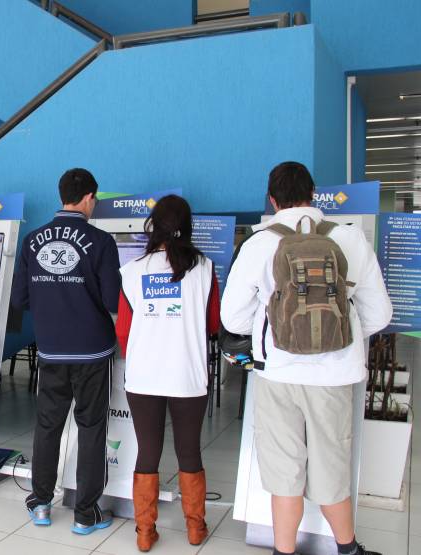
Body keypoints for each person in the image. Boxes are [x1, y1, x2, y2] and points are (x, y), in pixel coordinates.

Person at [221, 162, 392, 555]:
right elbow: (380, 314)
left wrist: (272, 327)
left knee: (285, 471)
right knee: (333, 466)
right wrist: (340, 336)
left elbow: (233, 318)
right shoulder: (349, 239)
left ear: (272, 198)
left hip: (277, 374)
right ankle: (347, 549)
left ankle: (285, 551)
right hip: (334, 376)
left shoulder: (259, 243)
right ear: (314, 194)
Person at [10, 168, 121, 535]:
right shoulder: (102, 242)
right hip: (92, 352)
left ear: (62, 196)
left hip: (51, 349)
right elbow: (110, 300)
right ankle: (85, 513)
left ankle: (41, 502)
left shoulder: (32, 240)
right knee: (91, 428)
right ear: (89, 197)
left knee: (48, 425)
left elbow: (19, 298)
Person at [114, 195, 220, 551]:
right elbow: (213, 323)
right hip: (188, 374)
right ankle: (195, 528)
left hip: (143, 376)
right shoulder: (205, 268)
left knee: (148, 451)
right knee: (189, 451)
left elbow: (124, 332)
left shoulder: (131, 272)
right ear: (186, 226)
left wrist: (146, 352)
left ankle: (145, 532)